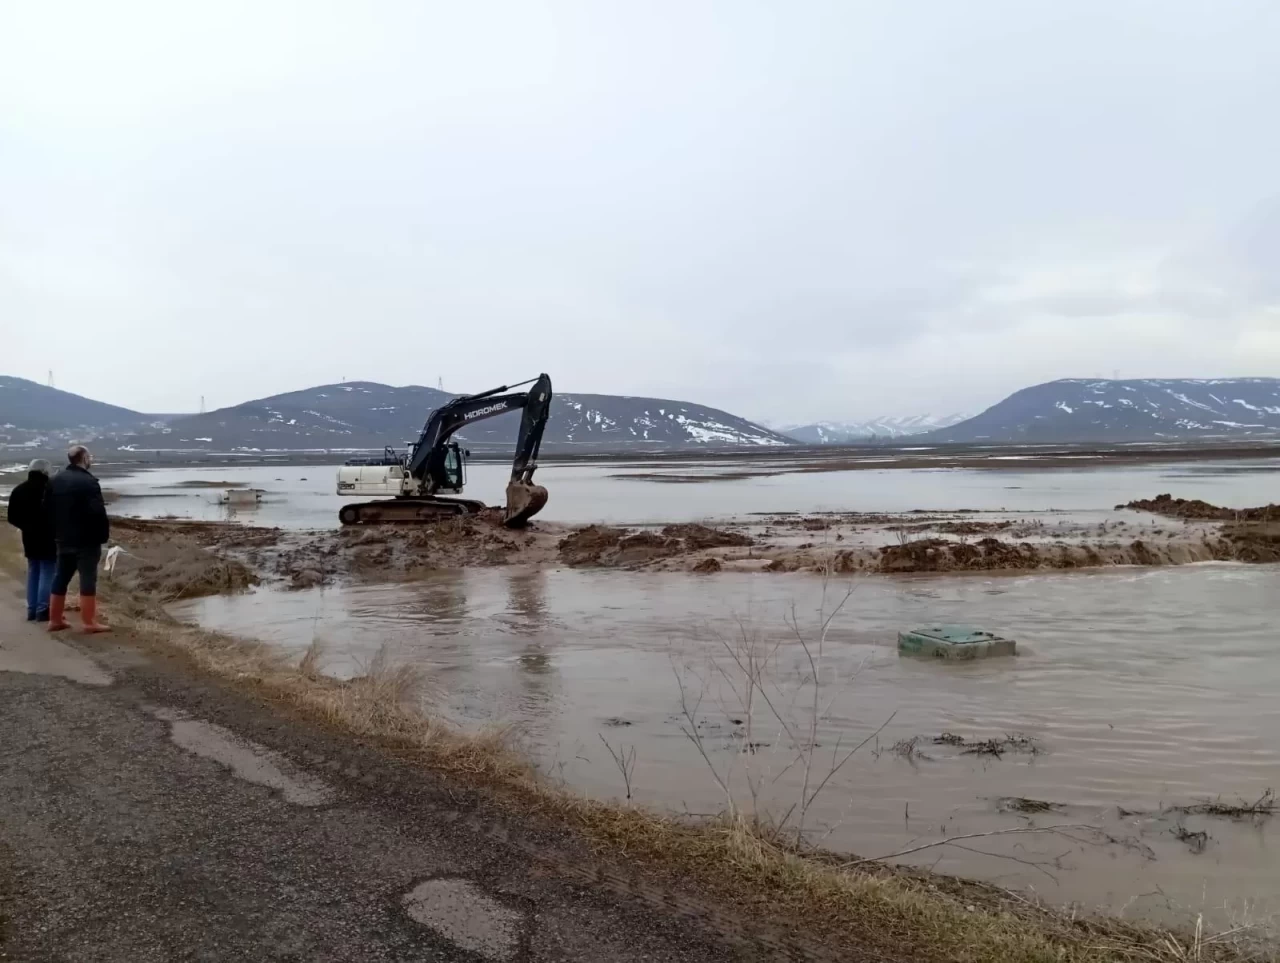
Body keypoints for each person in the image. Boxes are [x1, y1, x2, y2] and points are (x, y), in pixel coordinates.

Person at [46, 445, 110, 633]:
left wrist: (55, 532)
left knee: (60, 578)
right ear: (83, 458)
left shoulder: (55, 480)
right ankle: (89, 622)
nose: (91, 459)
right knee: (88, 579)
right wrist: (103, 536)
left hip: (63, 539)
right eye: (89, 456)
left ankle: (55, 619)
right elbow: (98, 512)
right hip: (87, 540)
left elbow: (47, 510)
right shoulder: (88, 482)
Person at [5, 458, 57, 621]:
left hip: (29, 537)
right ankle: (43, 610)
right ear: (46, 472)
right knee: (47, 571)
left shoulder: (19, 490)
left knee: (33, 570)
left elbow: (12, 517)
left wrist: (26, 526)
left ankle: (32, 609)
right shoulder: (49, 490)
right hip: (49, 537)